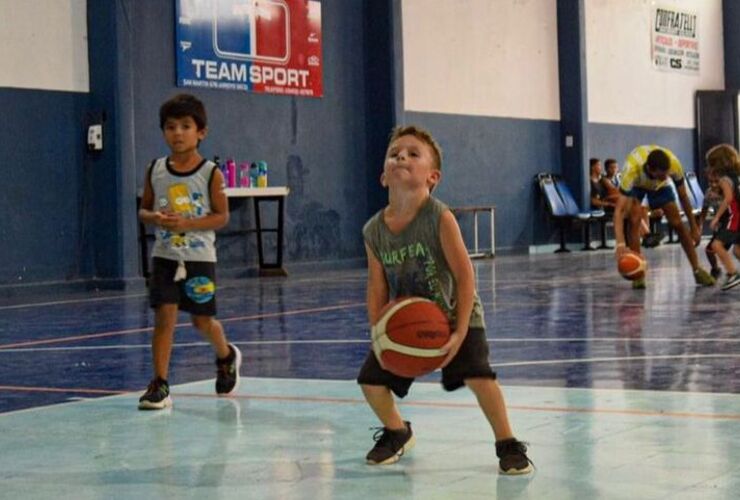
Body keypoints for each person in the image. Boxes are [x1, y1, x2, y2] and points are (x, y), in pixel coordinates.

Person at [357, 125, 532, 474]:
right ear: (383, 175)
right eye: (395, 154)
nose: (401, 157)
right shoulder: (373, 230)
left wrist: (460, 329)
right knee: (371, 381)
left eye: (412, 153)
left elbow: (466, 276)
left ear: (432, 177)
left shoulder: (439, 216)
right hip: (409, 322)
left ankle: (507, 441)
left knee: (480, 378)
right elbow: (377, 286)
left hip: (456, 315)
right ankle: (397, 432)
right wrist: (378, 330)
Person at [137, 93, 242, 410]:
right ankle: (160, 383)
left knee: (201, 321)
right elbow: (143, 210)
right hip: (166, 256)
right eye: (170, 127)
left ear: (201, 132)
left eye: (185, 126)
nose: (178, 133)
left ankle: (226, 356)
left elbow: (221, 216)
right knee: (164, 317)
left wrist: (189, 222)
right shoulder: (156, 169)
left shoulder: (211, 173)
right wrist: (154, 217)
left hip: (199, 258)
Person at [613, 145, 715, 289]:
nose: (665, 177)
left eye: (667, 174)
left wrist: (694, 227)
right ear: (650, 169)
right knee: (634, 220)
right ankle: (639, 273)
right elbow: (619, 211)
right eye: (662, 175)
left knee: (678, 223)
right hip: (638, 185)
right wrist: (620, 243)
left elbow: (683, 196)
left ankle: (697, 269)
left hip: (659, 187)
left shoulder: (673, 164)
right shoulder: (631, 171)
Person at [704, 144, 740, 290]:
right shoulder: (736, 175)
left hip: (734, 216)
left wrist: (717, 217)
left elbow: (729, 198)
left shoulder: (724, 179)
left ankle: (733, 273)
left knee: (716, 245)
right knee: (737, 250)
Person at [697, 171, 724, 279]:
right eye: (710, 182)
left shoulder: (730, 191)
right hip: (721, 228)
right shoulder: (709, 194)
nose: (713, 184)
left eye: (716, 181)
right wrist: (700, 225)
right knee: (709, 250)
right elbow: (704, 211)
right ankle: (715, 268)